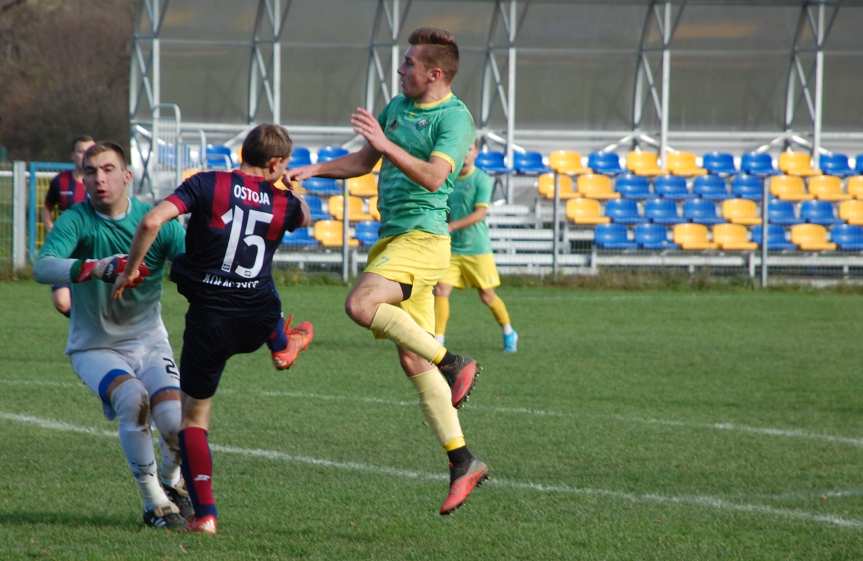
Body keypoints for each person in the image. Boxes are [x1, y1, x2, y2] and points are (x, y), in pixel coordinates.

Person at [285, 27, 488, 516]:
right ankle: (463, 461)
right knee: (411, 360)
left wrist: (384, 143)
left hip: (424, 239)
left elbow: (436, 175)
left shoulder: (455, 119)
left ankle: (455, 362)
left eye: (409, 64)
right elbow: (364, 159)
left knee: (360, 304)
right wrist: (314, 171)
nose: (401, 71)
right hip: (393, 238)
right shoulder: (396, 108)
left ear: (434, 73)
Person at [113, 124, 314, 535]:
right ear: (276, 164)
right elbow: (304, 218)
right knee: (265, 296)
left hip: (211, 320)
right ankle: (282, 344)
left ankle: (205, 515)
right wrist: (295, 191)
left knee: (195, 417)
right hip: (257, 316)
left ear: (246, 152)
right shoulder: (282, 201)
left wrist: (130, 270)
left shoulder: (207, 183)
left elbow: (152, 220)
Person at [34, 141, 192, 529]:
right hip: (95, 345)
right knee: (134, 400)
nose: (98, 178)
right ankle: (154, 502)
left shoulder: (155, 222)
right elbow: (44, 267)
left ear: (127, 176)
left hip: (149, 342)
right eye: (91, 171)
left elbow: (193, 263)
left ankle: (171, 483)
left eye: (107, 169)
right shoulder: (77, 220)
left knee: (174, 423)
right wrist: (95, 267)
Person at [433, 142, 518, 352]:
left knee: (487, 295)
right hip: (452, 249)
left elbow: (480, 213)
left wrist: (452, 226)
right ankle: (438, 340)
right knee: (441, 290)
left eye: (469, 148)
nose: (465, 153)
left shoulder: (481, 179)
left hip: (476, 248)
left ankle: (508, 332)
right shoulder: (448, 178)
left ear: (476, 153)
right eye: (462, 148)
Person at [43, 135, 96, 316]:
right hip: (65, 249)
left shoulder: (100, 182)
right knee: (62, 302)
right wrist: (50, 226)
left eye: (90, 151)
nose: (85, 155)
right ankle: (83, 323)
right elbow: (48, 206)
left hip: (92, 249)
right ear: (73, 155)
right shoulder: (60, 181)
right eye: (81, 151)